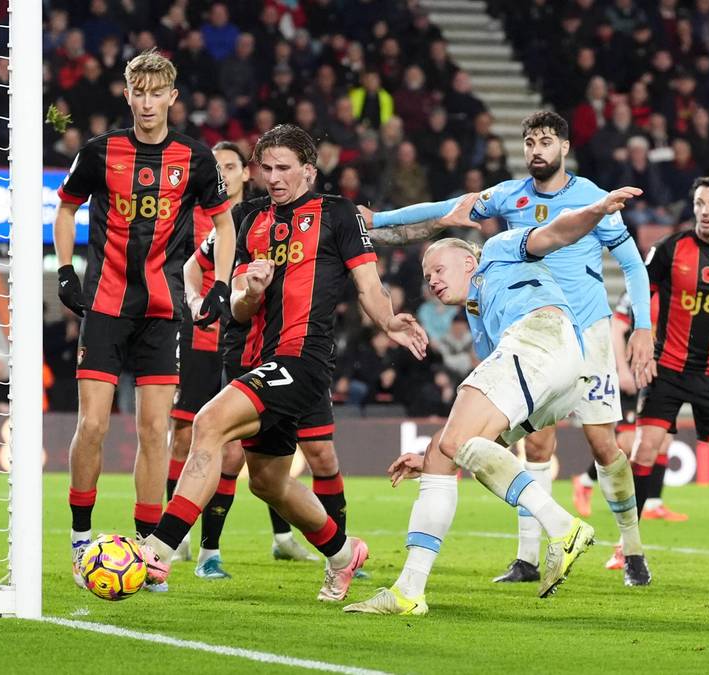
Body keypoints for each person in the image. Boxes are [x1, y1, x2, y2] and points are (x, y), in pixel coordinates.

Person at [360, 112, 654, 586]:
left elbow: (633, 267)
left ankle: (633, 547)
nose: (536, 149)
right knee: (533, 441)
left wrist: (641, 326)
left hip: (587, 328)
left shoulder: (593, 199)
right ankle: (528, 557)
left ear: (563, 147)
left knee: (604, 445)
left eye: (545, 141)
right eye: (529, 142)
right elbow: (446, 208)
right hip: (529, 330)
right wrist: (379, 222)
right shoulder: (508, 196)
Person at [137, 124, 429, 602]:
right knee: (269, 482)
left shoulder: (335, 213)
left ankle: (159, 549)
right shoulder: (246, 217)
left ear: (308, 172)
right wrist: (249, 291)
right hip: (251, 361)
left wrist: (388, 321)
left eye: (283, 168)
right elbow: (236, 309)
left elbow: (368, 283)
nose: (272, 177)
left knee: (209, 423)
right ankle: (342, 554)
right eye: (265, 168)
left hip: (302, 358)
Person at [52, 49, 237, 589]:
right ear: (128, 95)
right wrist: (65, 270)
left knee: (155, 431)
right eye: (140, 92)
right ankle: (80, 538)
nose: (149, 101)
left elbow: (224, 226)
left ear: (172, 98)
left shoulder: (197, 159)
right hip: (105, 306)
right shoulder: (99, 151)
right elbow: (66, 208)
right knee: (94, 424)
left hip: (163, 311)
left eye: (159, 93)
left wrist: (221, 282)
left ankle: (147, 548)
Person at [167, 141, 321, 579]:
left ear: (245, 173)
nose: (224, 174)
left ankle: (279, 541)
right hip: (210, 342)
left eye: (232, 166)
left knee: (259, 455)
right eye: (217, 167)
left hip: (264, 344)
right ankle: (188, 543)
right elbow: (190, 268)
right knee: (199, 438)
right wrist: (196, 302)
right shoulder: (214, 218)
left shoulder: (265, 217)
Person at [630, 175, 709, 568]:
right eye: (700, 203)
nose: (705, 211)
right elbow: (639, 288)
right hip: (667, 366)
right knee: (643, 449)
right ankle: (628, 547)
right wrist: (641, 337)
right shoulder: (671, 248)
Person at [572, 294, 686, 527]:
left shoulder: (672, 286)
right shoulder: (637, 289)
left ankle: (653, 503)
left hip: (654, 371)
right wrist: (622, 370)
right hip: (631, 372)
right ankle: (584, 481)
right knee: (626, 443)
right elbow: (617, 328)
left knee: (663, 440)